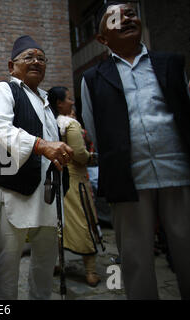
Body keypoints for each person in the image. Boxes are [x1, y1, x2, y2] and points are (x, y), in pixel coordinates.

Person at [81, 1, 190, 299]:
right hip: (128, 179)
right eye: (114, 18)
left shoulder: (171, 63)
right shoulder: (92, 78)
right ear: (102, 38)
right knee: (136, 260)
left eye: (130, 13)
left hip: (179, 172)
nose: (126, 19)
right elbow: (95, 129)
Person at [0, 35, 73, 300]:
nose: (36, 62)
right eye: (29, 57)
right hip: (13, 190)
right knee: (8, 263)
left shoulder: (46, 102)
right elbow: (0, 129)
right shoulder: (4, 90)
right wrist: (43, 145)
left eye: (42, 58)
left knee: (45, 262)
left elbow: (49, 145)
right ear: (12, 66)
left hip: (46, 194)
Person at [48, 86, 101, 287]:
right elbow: (79, 154)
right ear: (59, 103)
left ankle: (58, 263)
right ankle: (90, 272)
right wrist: (90, 156)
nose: (72, 102)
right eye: (69, 99)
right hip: (75, 181)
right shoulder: (71, 124)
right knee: (83, 221)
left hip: (54, 180)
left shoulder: (49, 123)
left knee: (55, 224)